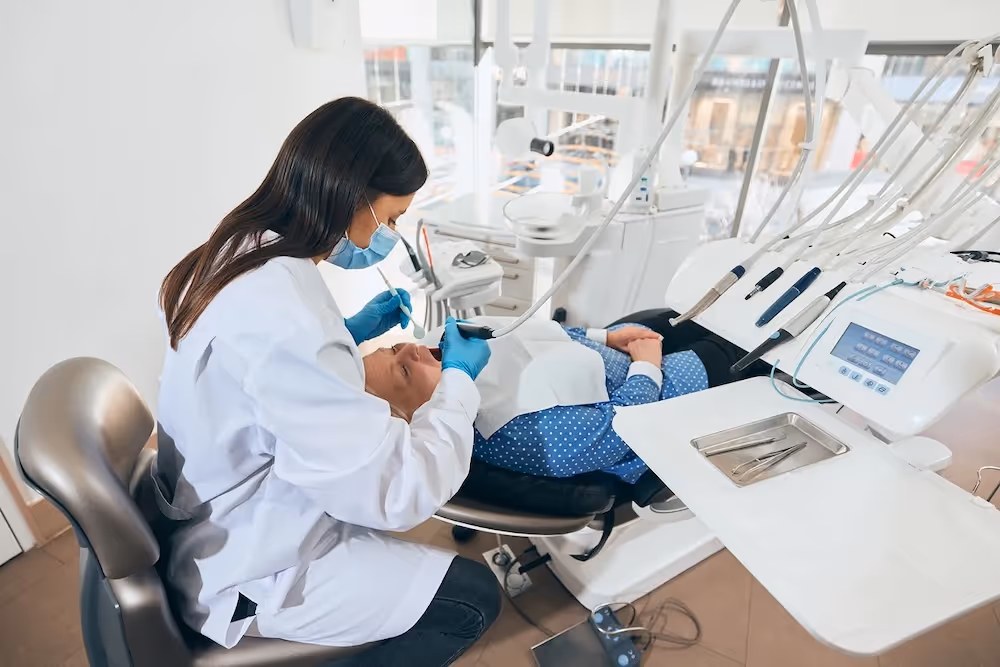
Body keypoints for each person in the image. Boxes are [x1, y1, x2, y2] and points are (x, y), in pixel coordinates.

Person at [153, 97, 499, 667]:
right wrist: (457, 384)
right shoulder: (289, 319)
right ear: (347, 194)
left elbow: (264, 372)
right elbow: (394, 494)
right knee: (471, 599)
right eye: (388, 219)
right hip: (249, 560)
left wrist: (344, 332)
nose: (386, 235)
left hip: (219, 510)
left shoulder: (240, 251)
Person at [363, 310, 771, 485]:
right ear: (420, 418)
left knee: (687, 316)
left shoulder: (442, 345)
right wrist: (647, 364)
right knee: (736, 348)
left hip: (610, 355)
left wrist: (603, 336)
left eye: (394, 347)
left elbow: (528, 335)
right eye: (403, 370)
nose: (413, 350)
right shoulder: (519, 433)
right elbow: (625, 430)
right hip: (651, 394)